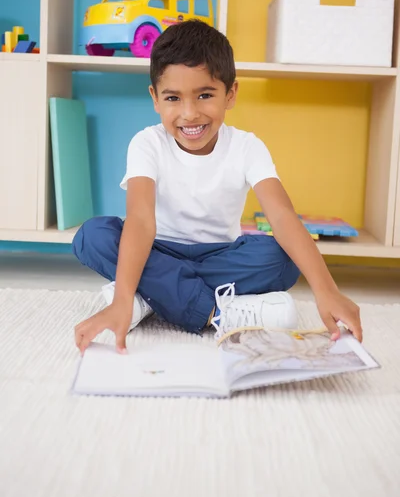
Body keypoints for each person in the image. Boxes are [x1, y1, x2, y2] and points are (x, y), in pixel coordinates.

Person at [73, 20, 362, 354]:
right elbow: (140, 220)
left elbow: (282, 217)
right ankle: (213, 311)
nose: (190, 113)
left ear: (231, 94)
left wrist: (326, 290)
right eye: (173, 98)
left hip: (220, 256)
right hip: (157, 249)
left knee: (283, 257)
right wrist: (121, 299)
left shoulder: (247, 147)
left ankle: (151, 297)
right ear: (155, 98)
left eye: (205, 95)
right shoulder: (147, 143)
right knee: (92, 236)